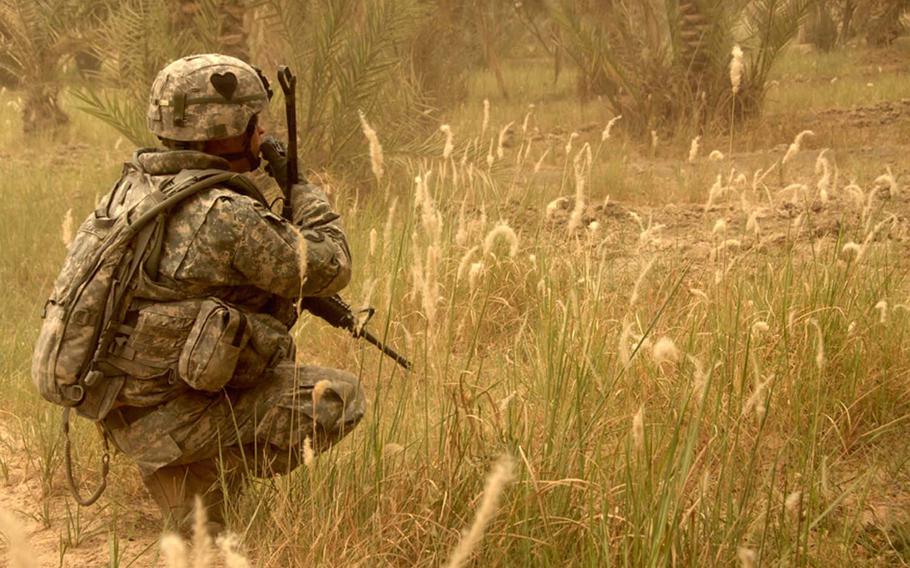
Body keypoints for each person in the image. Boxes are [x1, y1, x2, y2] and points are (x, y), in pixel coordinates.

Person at [94, 53, 365, 533]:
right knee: (340, 397)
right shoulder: (223, 212)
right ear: (223, 129)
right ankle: (198, 478)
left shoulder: (133, 188)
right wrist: (300, 190)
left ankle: (180, 471)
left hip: (120, 405)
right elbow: (330, 263)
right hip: (166, 417)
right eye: (252, 123)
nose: (261, 135)